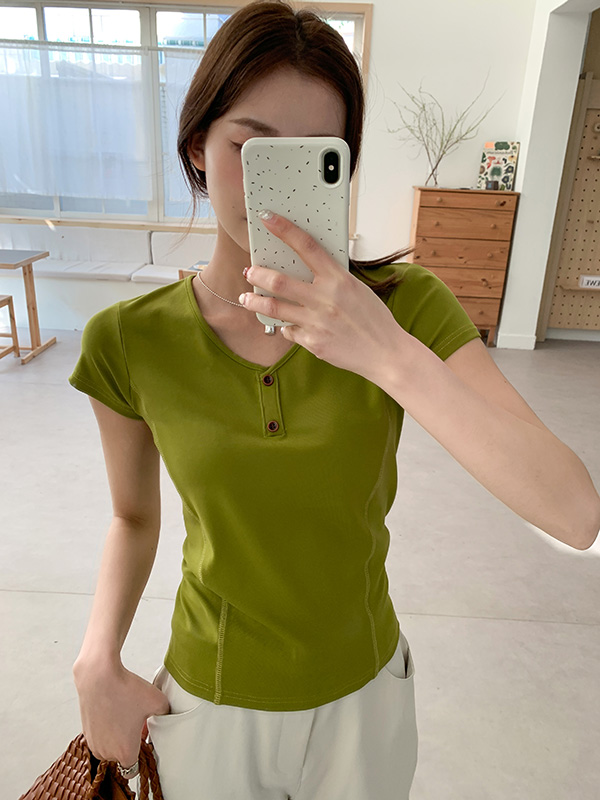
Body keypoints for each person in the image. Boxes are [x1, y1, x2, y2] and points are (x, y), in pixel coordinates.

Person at [68, 2, 600, 799]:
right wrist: (96, 657)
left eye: (316, 154)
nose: (276, 188)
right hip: (212, 700)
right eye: (252, 148)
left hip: (366, 696)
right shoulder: (129, 339)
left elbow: (574, 511)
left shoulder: (406, 308)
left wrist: (387, 352)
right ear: (198, 147)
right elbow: (132, 517)